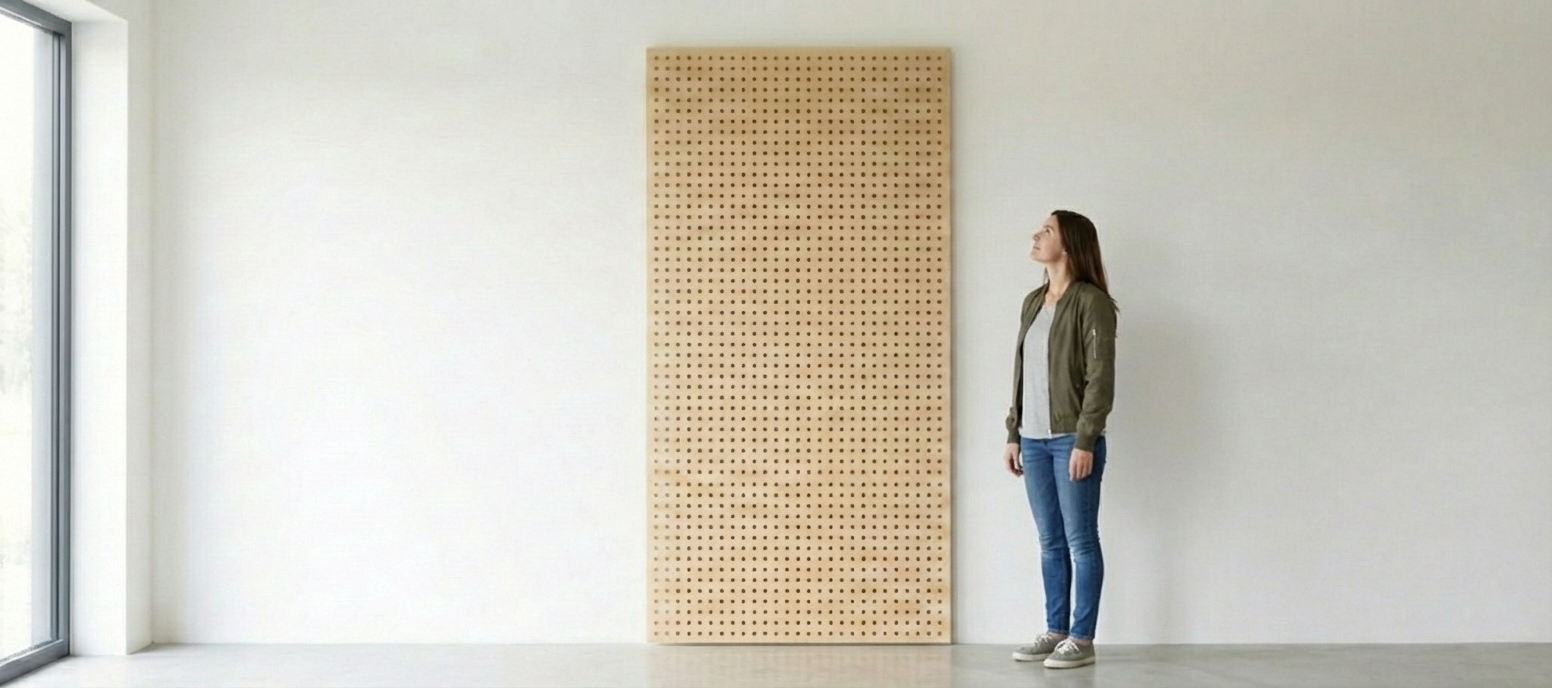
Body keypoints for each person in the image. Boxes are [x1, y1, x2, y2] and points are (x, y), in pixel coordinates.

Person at [1004, 210, 1119, 669]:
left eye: (1046, 230)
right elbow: (1020, 371)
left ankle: (1082, 638)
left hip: (1072, 437)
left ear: (1068, 245)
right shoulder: (1033, 301)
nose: (1036, 234)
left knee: (1080, 539)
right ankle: (1055, 631)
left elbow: (1100, 377)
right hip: (1031, 439)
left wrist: (1086, 439)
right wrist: (1013, 432)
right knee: (1050, 541)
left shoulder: (1092, 303)